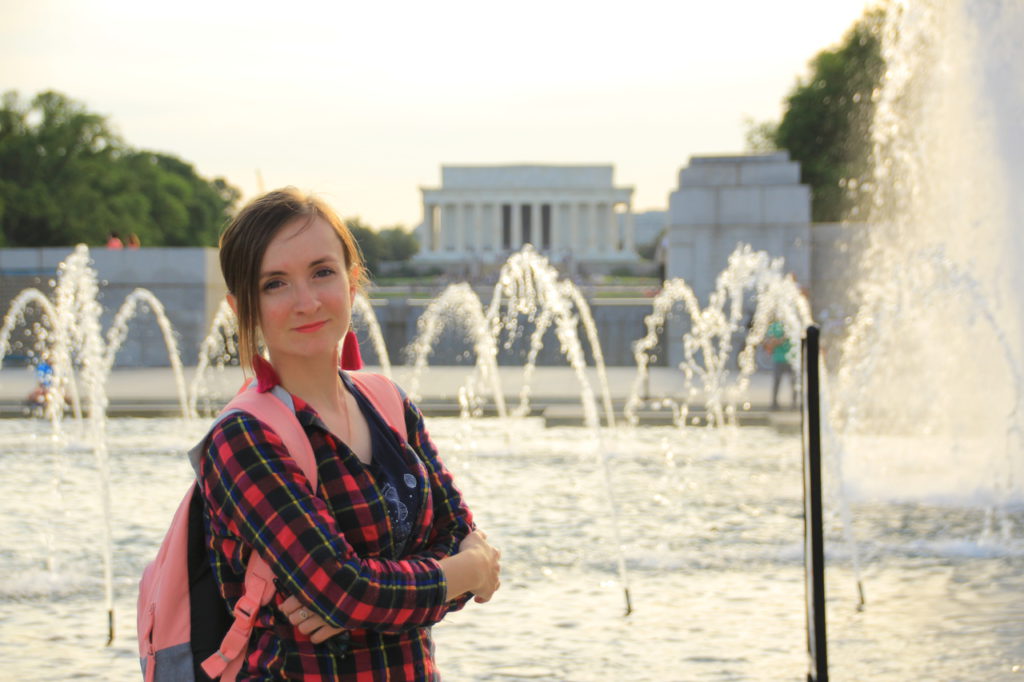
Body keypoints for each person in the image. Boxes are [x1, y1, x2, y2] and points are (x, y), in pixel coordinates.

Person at [204, 187, 500, 679]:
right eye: (275, 283)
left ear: (352, 282)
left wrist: (368, 602)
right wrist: (461, 573)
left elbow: (460, 534)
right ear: (241, 308)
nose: (306, 301)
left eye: (322, 273)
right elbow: (349, 589)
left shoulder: (388, 404)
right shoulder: (244, 438)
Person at [765, 320, 796, 410]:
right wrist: (782, 338)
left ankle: (794, 404)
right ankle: (774, 403)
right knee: (777, 382)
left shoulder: (792, 323)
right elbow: (770, 342)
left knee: (793, 383)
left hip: (791, 359)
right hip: (778, 358)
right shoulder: (774, 326)